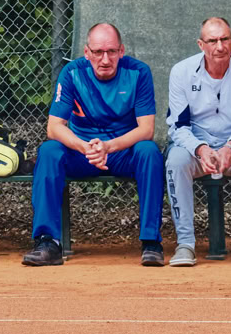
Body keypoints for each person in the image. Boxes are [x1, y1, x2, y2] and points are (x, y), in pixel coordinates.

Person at [23, 22, 166, 267]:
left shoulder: (139, 72)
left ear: (121, 51)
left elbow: (146, 130)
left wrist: (109, 147)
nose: (105, 59)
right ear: (87, 53)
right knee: (48, 151)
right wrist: (83, 147)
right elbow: (54, 127)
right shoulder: (71, 73)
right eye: (98, 52)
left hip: (122, 152)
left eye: (111, 52)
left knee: (149, 151)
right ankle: (48, 243)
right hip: (83, 153)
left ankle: (151, 242)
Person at [165, 16, 231, 266]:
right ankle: (185, 244)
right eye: (212, 41)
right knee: (175, 160)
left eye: (224, 39)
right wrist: (200, 149)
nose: (219, 46)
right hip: (195, 149)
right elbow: (178, 127)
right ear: (201, 45)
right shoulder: (181, 72)